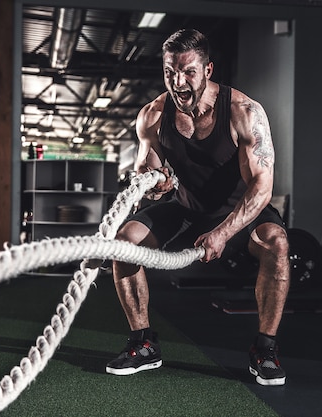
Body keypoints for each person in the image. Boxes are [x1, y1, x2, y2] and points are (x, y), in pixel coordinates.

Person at [105, 28, 290, 386]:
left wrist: (223, 232)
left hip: (240, 212)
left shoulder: (243, 112)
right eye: (170, 71)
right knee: (124, 241)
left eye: (188, 71)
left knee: (277, 244)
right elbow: (148, 174)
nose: (178, 82)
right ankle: (142, 343)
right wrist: (157, 185)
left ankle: (265, 349)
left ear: (207, 70)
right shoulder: (153, 116)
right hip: (187, 208)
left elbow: (262, 187)